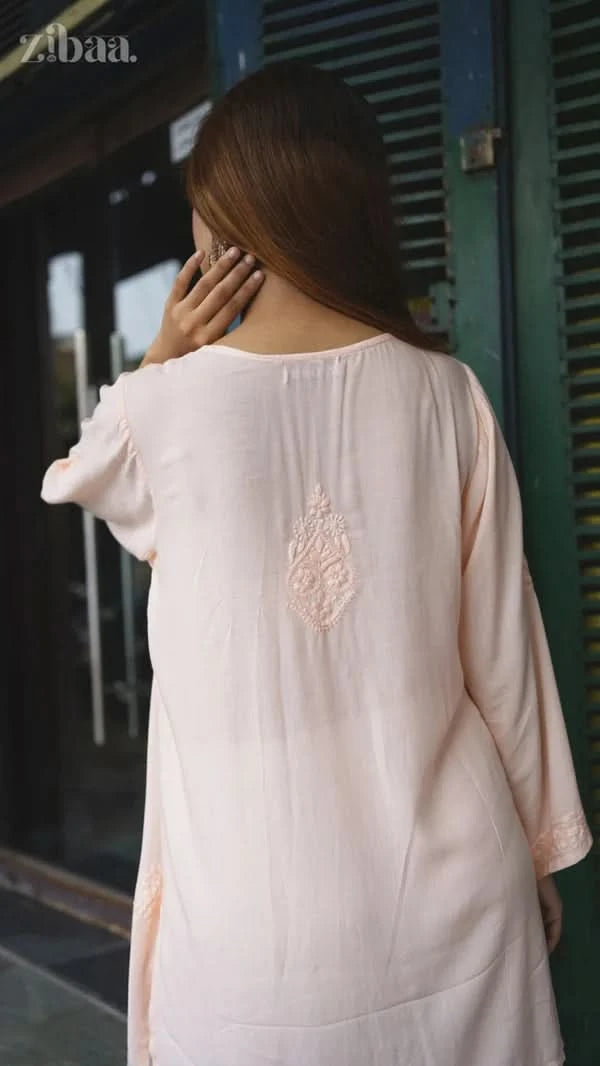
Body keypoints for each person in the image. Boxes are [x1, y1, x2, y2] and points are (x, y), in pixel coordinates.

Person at [41, 60, 593, 1066]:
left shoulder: (159, 413)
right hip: (454, 905)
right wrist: (540, 854)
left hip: (252, 939)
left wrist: (163, 349)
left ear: (223, 223)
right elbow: (505, 660)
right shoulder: (448, 395)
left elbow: (75, 474)